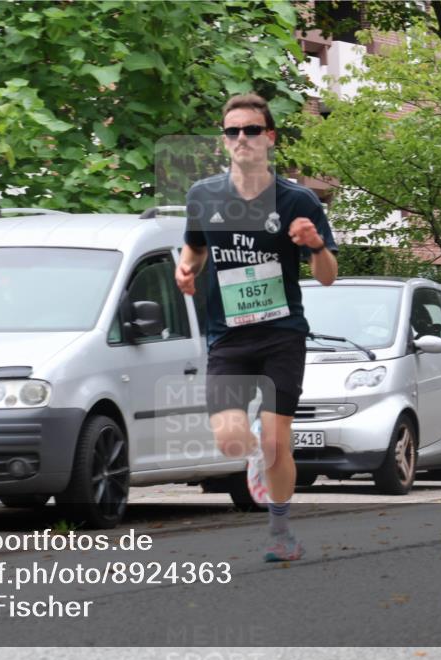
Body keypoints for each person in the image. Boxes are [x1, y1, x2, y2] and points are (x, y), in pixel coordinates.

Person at [175, 93, 338, 561]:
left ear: (270, 137)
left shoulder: (297, 200)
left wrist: (315, 246)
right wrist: (185, 270)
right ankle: (254, 458)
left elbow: (327, 276)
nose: (241, 138)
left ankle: (281, 534)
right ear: (224, 140)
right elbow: (195, 249)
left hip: (281, 334)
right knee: (230, 440)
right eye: (233, 131)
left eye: (251, 130)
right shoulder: (203, 195)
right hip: (227, 336)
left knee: (275, 441)